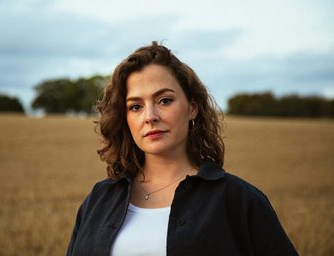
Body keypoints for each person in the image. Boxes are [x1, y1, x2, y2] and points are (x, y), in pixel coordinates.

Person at [66, 41, 298, 256]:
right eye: (135, 106)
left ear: (192, 108)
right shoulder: (99, 199)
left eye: (164, 100)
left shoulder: (239, 200)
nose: (150, 117)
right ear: (124, 118)